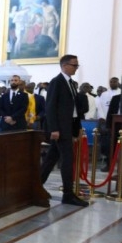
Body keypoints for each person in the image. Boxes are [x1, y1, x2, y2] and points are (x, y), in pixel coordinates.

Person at [39, 54, 89, 207]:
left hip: (69, 127)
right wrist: (54, 128)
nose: (76, 68)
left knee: (51, 159)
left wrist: (78, 128)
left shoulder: (71, 83)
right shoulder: (57, 82)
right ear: (65, 65)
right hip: (60, 129)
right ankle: (68, 194)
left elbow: (74, 110)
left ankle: (34, 185)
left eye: (77, 65)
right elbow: (50, 107)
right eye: (74, 65)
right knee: (67, 160)